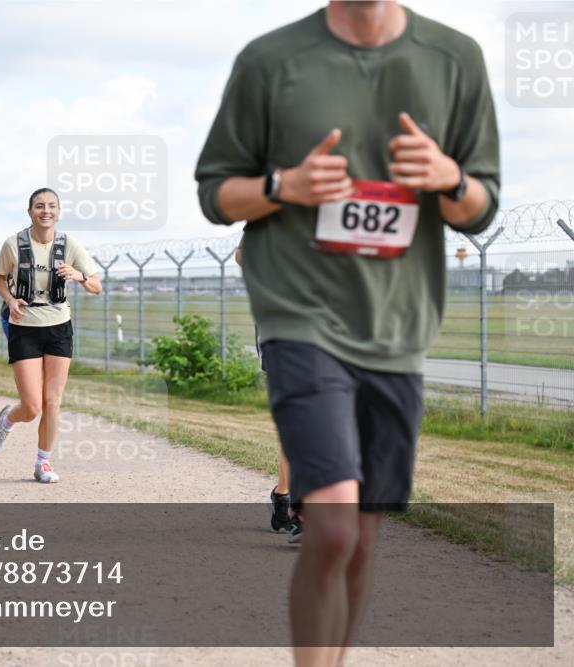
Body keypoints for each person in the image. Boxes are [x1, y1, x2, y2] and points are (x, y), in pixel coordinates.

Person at [195, 2, 500, 663]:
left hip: (396, 327)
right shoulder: (271, 60)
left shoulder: (455, 57)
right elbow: (215, 193)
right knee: (331, 525)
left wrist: (450, 178)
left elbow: (481, 207)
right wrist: (287, 185)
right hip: (299, 317)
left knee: (361, 537)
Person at [0, 188, 102, 483]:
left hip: (58, 326)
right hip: (24, 326)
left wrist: (79, 276)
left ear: (59, 212)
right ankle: (8, 419)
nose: (46, 211)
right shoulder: (13, 244)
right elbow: (0, 279)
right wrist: (10, 300)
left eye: (52, 206)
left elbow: (96, 286)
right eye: (39, 206)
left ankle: (43, 463)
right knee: (32, 406)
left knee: (53, 401)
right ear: (30, 212)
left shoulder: (70, 245)